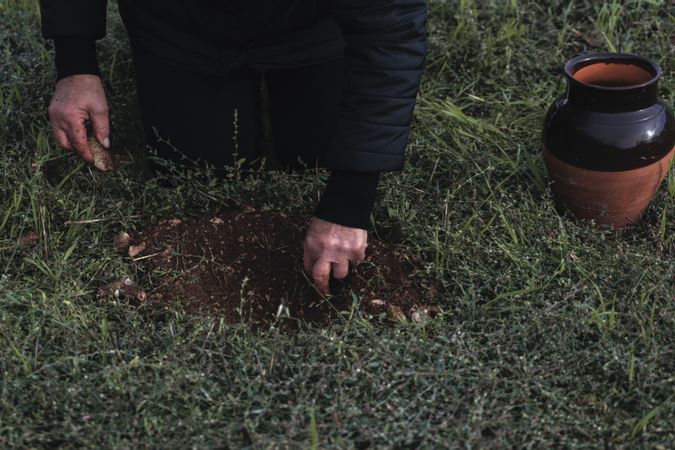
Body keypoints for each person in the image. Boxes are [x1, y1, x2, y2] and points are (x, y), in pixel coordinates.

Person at [40, 0, 427, 295]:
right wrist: (75, 64)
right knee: (197, 169)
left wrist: (349, 203)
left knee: (315, 155)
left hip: (309, 27)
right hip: (181, 28)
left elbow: (392, 32)